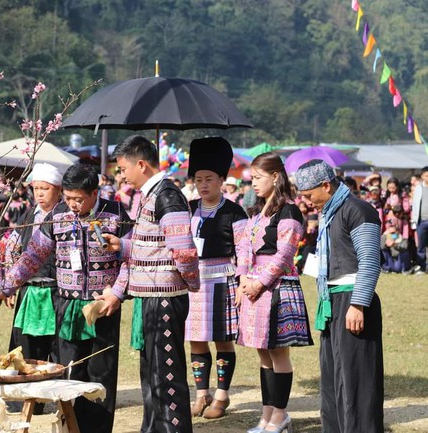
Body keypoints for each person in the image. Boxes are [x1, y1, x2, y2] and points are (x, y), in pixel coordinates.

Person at [0, 163, 132, 433]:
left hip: (103, 306)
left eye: (78, 199)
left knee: (101, 374)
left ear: (94, 193)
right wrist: (6, 287)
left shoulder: (115, 213)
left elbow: (131, 258)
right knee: (69, 372)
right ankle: (70, 428)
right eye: (67, 198)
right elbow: (32, 256)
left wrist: (117, 293)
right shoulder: (58, 215)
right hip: (66, 305)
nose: (72, 205)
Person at [102, 135, 200, 433]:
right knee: (152, 371)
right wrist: (124, 246)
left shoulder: (167, 195)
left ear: (141, 164)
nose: (122, 175)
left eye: (123, 168)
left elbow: (183, 249)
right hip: (154, 295)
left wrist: (189, 283)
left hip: (166, 297)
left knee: (166, 374)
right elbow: (152, 246)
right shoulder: (152, 194)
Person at [296, 159, 384, 433]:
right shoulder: (329, 214)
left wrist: (358, 304)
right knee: (333, 379)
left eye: (310, 195)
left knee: (357, 378)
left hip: (353, 300)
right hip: (331, 300)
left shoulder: (358, 210)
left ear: (326, 185)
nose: (308, 202)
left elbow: (370, 260)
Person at [235, 152, 313, 433]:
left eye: (258, 178)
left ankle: (280, 414)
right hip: (253, 286)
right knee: (263, 353)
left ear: (275, 177)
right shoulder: (257, 211)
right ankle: (267, 413)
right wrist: (243, 278)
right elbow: (243, 246)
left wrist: (259, 283)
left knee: (279, 353)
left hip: (277, 288)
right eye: (252, 178)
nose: (253, 183)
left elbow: (285, 254)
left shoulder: (289, 210)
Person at [185, 138, 247, 420]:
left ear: (223, 179)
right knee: (195, 339)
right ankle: (201, 394)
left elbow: (244, 252)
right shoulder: (188, 208)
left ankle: (221, 395)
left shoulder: (234, 212)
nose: (203, 184)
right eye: (198, 179)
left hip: (223, 281)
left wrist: (242, 283)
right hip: (193, 283)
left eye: (209, 179)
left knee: (222, 340)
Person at [0, 163, 63, 414]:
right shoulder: (27, 215)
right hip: (28, 291)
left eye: (45, 189)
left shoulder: (64, 215)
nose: (40, 194)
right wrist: (8, 286)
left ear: (58, 189)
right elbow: (9, 247)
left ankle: (57, 399)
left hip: (57, 291)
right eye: (36, 189)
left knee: (55, 347)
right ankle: (23, 400)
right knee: (23, 347)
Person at [410, 166, 428, 275]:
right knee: (421, 245)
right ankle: (421, 267)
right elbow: (415, 205)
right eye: (427, 175)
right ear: (422, 176)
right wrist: (414, 220)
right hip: (421, 221)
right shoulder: (418, 188)